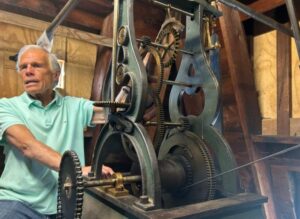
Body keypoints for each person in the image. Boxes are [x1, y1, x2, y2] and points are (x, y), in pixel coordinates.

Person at [0, 44, 114, 218]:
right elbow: (27, 146)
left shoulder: (75, 106)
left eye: (36, 65)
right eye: (23, 67)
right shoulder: (6, 106)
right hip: (17, 203)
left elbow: (112, 114)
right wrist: (76, 170)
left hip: (66, 203)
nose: (28, 71)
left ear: (55, 75)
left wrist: (132, 86)